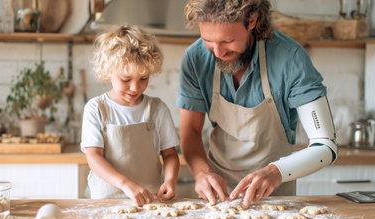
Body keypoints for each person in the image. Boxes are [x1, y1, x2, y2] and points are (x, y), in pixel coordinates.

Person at [177, 0, 338, 207]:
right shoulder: (195, 59)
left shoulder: (290, 58)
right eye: (208, 40)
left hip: (276, 195)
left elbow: (325, 146)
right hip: (218, 194)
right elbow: (190, 131)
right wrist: (202, 173)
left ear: (252, 21)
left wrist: (275, 172)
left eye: (228, 40)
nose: (217, 52)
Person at [81, 25, 180, 206]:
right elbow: (94, 157)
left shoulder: (157, 109)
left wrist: (170, 180)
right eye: (126, 79)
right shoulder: (96, 109)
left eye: (144, 78)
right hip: (106, 203)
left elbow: (170, 155)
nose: (135, 87)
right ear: (108, 71)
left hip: (151, 202)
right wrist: (126, 184)